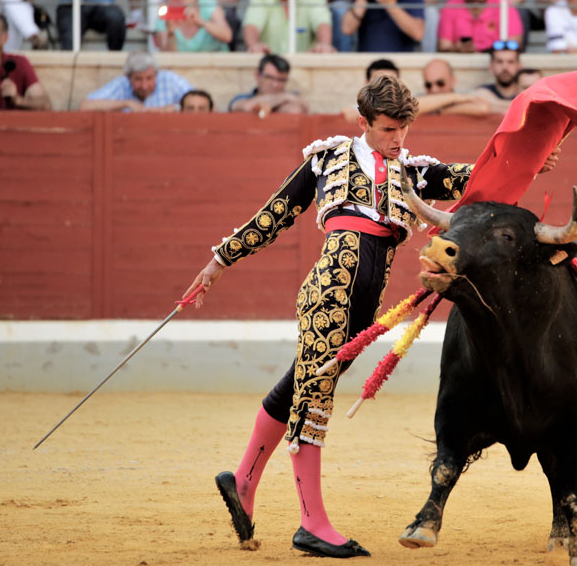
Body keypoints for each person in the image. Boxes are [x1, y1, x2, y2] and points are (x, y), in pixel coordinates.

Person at [187, 77, 499, 559]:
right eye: (388, 129)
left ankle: (242, 483)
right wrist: (217, 264)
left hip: (365, 303)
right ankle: (311, 523)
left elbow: (480, 177)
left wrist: (535, 158)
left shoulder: (414, 171)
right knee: (314, 397)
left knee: (299, 385)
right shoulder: (327, 158)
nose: (397, 138)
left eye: (403, 128)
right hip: (330, 286)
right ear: (364, 123)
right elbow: (273, 215)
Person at [81, 52, 194, 111]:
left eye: (149, 78)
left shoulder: (169, 80)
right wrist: (126, 103)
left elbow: (201, 103)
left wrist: (176, 108)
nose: (144, 86)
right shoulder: (122, 84)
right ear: (128, 77)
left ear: (157, 74)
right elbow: (86, 106)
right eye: (138, 79)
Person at [154, 0, 234, 52]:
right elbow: (167, 57)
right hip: (181, 64)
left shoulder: (208, 5)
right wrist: (171, 34)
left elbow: (227, 36)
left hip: (216, 63)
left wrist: (201, 21)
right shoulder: (165, 12)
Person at [228, 53, 309, 113]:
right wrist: (285, 97)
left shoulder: (293, 98)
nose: (275, 85)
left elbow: (298, 109)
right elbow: (244, 107)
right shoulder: (242, 98)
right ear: (257, 75)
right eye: (269, 78)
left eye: (281, 80)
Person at [417, 57, 489, 114]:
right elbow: (411, 107)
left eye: (440, 83)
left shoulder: (463, 96)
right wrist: (454, 97)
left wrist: (442, 111)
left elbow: (483, 107)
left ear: (453, 80)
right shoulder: (459, 97)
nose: (434, 89)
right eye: (428, 85)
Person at [471, 43, 521, 113]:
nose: (505, 67)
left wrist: (490, 103)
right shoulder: (482, 91)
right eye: (499, 62)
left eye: (510, 62)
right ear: (491, 66)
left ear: (519, 66)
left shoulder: (524, 91)